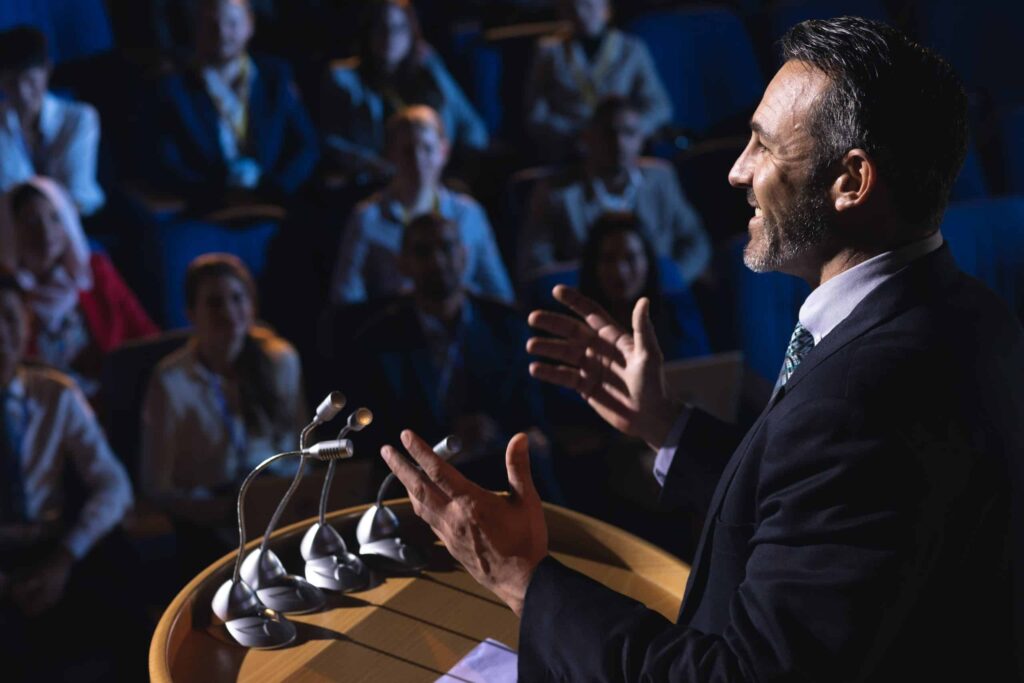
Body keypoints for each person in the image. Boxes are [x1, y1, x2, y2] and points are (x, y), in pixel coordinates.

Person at [378, 17, 1024, 681]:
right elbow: (816, 510)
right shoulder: (973, 316)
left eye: (763, 146)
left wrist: (521, 579)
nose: (737, 171)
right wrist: (666, 424)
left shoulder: (865, 400)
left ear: (852, 181)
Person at [0, 275, 145, 682]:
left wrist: (64, 557)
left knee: (122, 591)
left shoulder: (56, 395)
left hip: (50, 544)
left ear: (27, 324)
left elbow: (113, 485)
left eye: (9, 318)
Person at [347, 213, 553, 493]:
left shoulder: (507, 326)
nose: (437, 261)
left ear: (464, 255)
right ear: (403, 264)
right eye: (423, 252)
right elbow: (374, 437)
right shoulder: (377, 339)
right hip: (422, 479)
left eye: (446, 248)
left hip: (497, 464)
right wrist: (445, 440)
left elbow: (533, 416)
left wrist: (495, 434)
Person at [140, 254, 306, 570]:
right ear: (191, 314)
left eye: (237, 298)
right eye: (214, 302)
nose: (228, 312)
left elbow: (299, 447)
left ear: (252, 306)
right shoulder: (171, 381)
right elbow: (156, 485)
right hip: (211, 517)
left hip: (276, 504)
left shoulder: (280, 360)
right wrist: (217, 510)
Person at [330, 105, 513, 304]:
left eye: (427, 148)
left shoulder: (468, 214)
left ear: (443, 151)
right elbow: (346, 299)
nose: (418, 160)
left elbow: (499, 294)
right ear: (391, 155)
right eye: (408, 151)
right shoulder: (368, 218)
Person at [522, 95, 709, 283]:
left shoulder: (661, 178)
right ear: (588, 138)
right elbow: (537, 263)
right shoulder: (556, 192)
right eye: (608, 133)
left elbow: (696, 241)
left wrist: (670, 280)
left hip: (659, 297)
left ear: (641, 139)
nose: (619, 142)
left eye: (629, 132)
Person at [152, 0, 319, 209]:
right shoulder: (175, 89)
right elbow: (167, 161)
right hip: (207, 208)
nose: (222, 34)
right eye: (211, 24)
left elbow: (307, 145)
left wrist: (277, 188)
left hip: (275, 203)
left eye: (232, 23)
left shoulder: (275, 77)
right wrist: (215, 194)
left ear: (250, 25)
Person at [0, 177, 158, 397]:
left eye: (54, 218)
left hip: (117, 398)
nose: (45, 232)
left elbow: (145, 336)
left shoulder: (95, 271)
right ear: (10, 231)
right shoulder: (8, 294)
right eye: (31, 222)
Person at [320, 0, 489, 182]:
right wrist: (373, 165)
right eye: (381, 28)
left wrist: (459, 168)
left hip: (435, 177)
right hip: (377, 181)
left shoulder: (428, 69)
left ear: (412, 33)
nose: (390, 36)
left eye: (399, 28)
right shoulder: (343, 77)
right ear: (367, 32)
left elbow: (471, 125)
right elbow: (331, 140)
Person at [525, 0, 672, 162]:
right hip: (569, 147)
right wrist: (576, 136)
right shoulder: (550, 51)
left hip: (620, 145)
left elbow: (659, 106)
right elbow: (536, 111)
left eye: (588, 6)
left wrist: (630, 132)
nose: (581, 13)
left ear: (606, 9)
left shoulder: (631, 49)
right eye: (573, 7)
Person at [0, 26, 105, 217]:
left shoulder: (79, 118)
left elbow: (76, 191)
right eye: (11, 83)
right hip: (15, 225)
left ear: (48, 70)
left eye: (30, 81)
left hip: (79, 216)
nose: (23, 93)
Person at [579, 212, 708, 362]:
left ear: (647, 261)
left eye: (630, 258)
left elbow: (699, 370)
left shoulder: (677, 314)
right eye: (609, 259)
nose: (620, 271)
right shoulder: (577, 325)